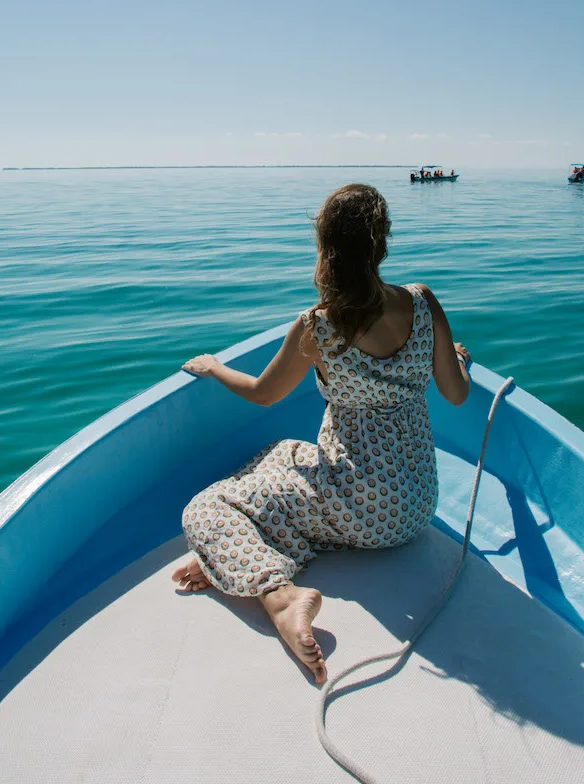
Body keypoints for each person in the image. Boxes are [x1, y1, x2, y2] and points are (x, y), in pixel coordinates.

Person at [172, 184, 471, 685]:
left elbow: (264, 393)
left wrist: (217, 368)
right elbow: (456, 394)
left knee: (203, 510)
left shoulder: (319, 326)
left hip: (360, 509)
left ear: (325, 247)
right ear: (382, 243)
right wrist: (457, 359)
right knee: (281, 452)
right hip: (417, 504)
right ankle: (240, 552)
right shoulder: (423, 303)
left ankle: (279, 597)